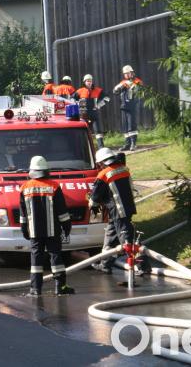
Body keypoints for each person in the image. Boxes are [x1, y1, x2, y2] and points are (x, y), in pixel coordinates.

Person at [88, 148, 151, 275]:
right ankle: (105, 264)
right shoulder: (124, 169)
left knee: (128, 241)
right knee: (110, 237)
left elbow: (95, 198)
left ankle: (143, 266)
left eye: (99, 163)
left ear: (102, 162)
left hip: (118, 211)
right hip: (126, 208)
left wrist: (92, 204)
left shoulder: (103, 174)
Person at [19, 156, 75, 296]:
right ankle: (60, 287)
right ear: (46, 171)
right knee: (55, 256)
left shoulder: (24, 188)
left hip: (34, 231)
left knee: (36, 258)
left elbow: (23, 213)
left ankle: (35, 289)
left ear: (32, 171)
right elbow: (62, 210)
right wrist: (67, 226)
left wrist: (23, 228)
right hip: (52, 230)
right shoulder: (54, 186)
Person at [73, 74, 109, 149]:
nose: (89, 82)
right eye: (87, 81)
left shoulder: (98, 90)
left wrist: (98, 105)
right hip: (83, 114)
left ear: (92, 82)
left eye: (90, 81)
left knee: (98, 131)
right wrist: (79, 105)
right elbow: (72, 99)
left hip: (93, 113)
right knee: (84, 131)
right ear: (84, 82)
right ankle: (85, 147)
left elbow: (107, 98)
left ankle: (101, 148)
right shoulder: (80, 91)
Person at [112, 65, 143, 151]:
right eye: (125, 74)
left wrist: (129, 86)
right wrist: (121, 87)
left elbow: (139, 91)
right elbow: (114, 91)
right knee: (125, 125)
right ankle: (127, 144)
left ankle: (133, 143)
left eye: (128, 73)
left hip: (132, 106)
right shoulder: (123, 82)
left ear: (132, 73)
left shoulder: (137, 81)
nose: (126, 75)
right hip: (124, 106)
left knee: (131, 124)